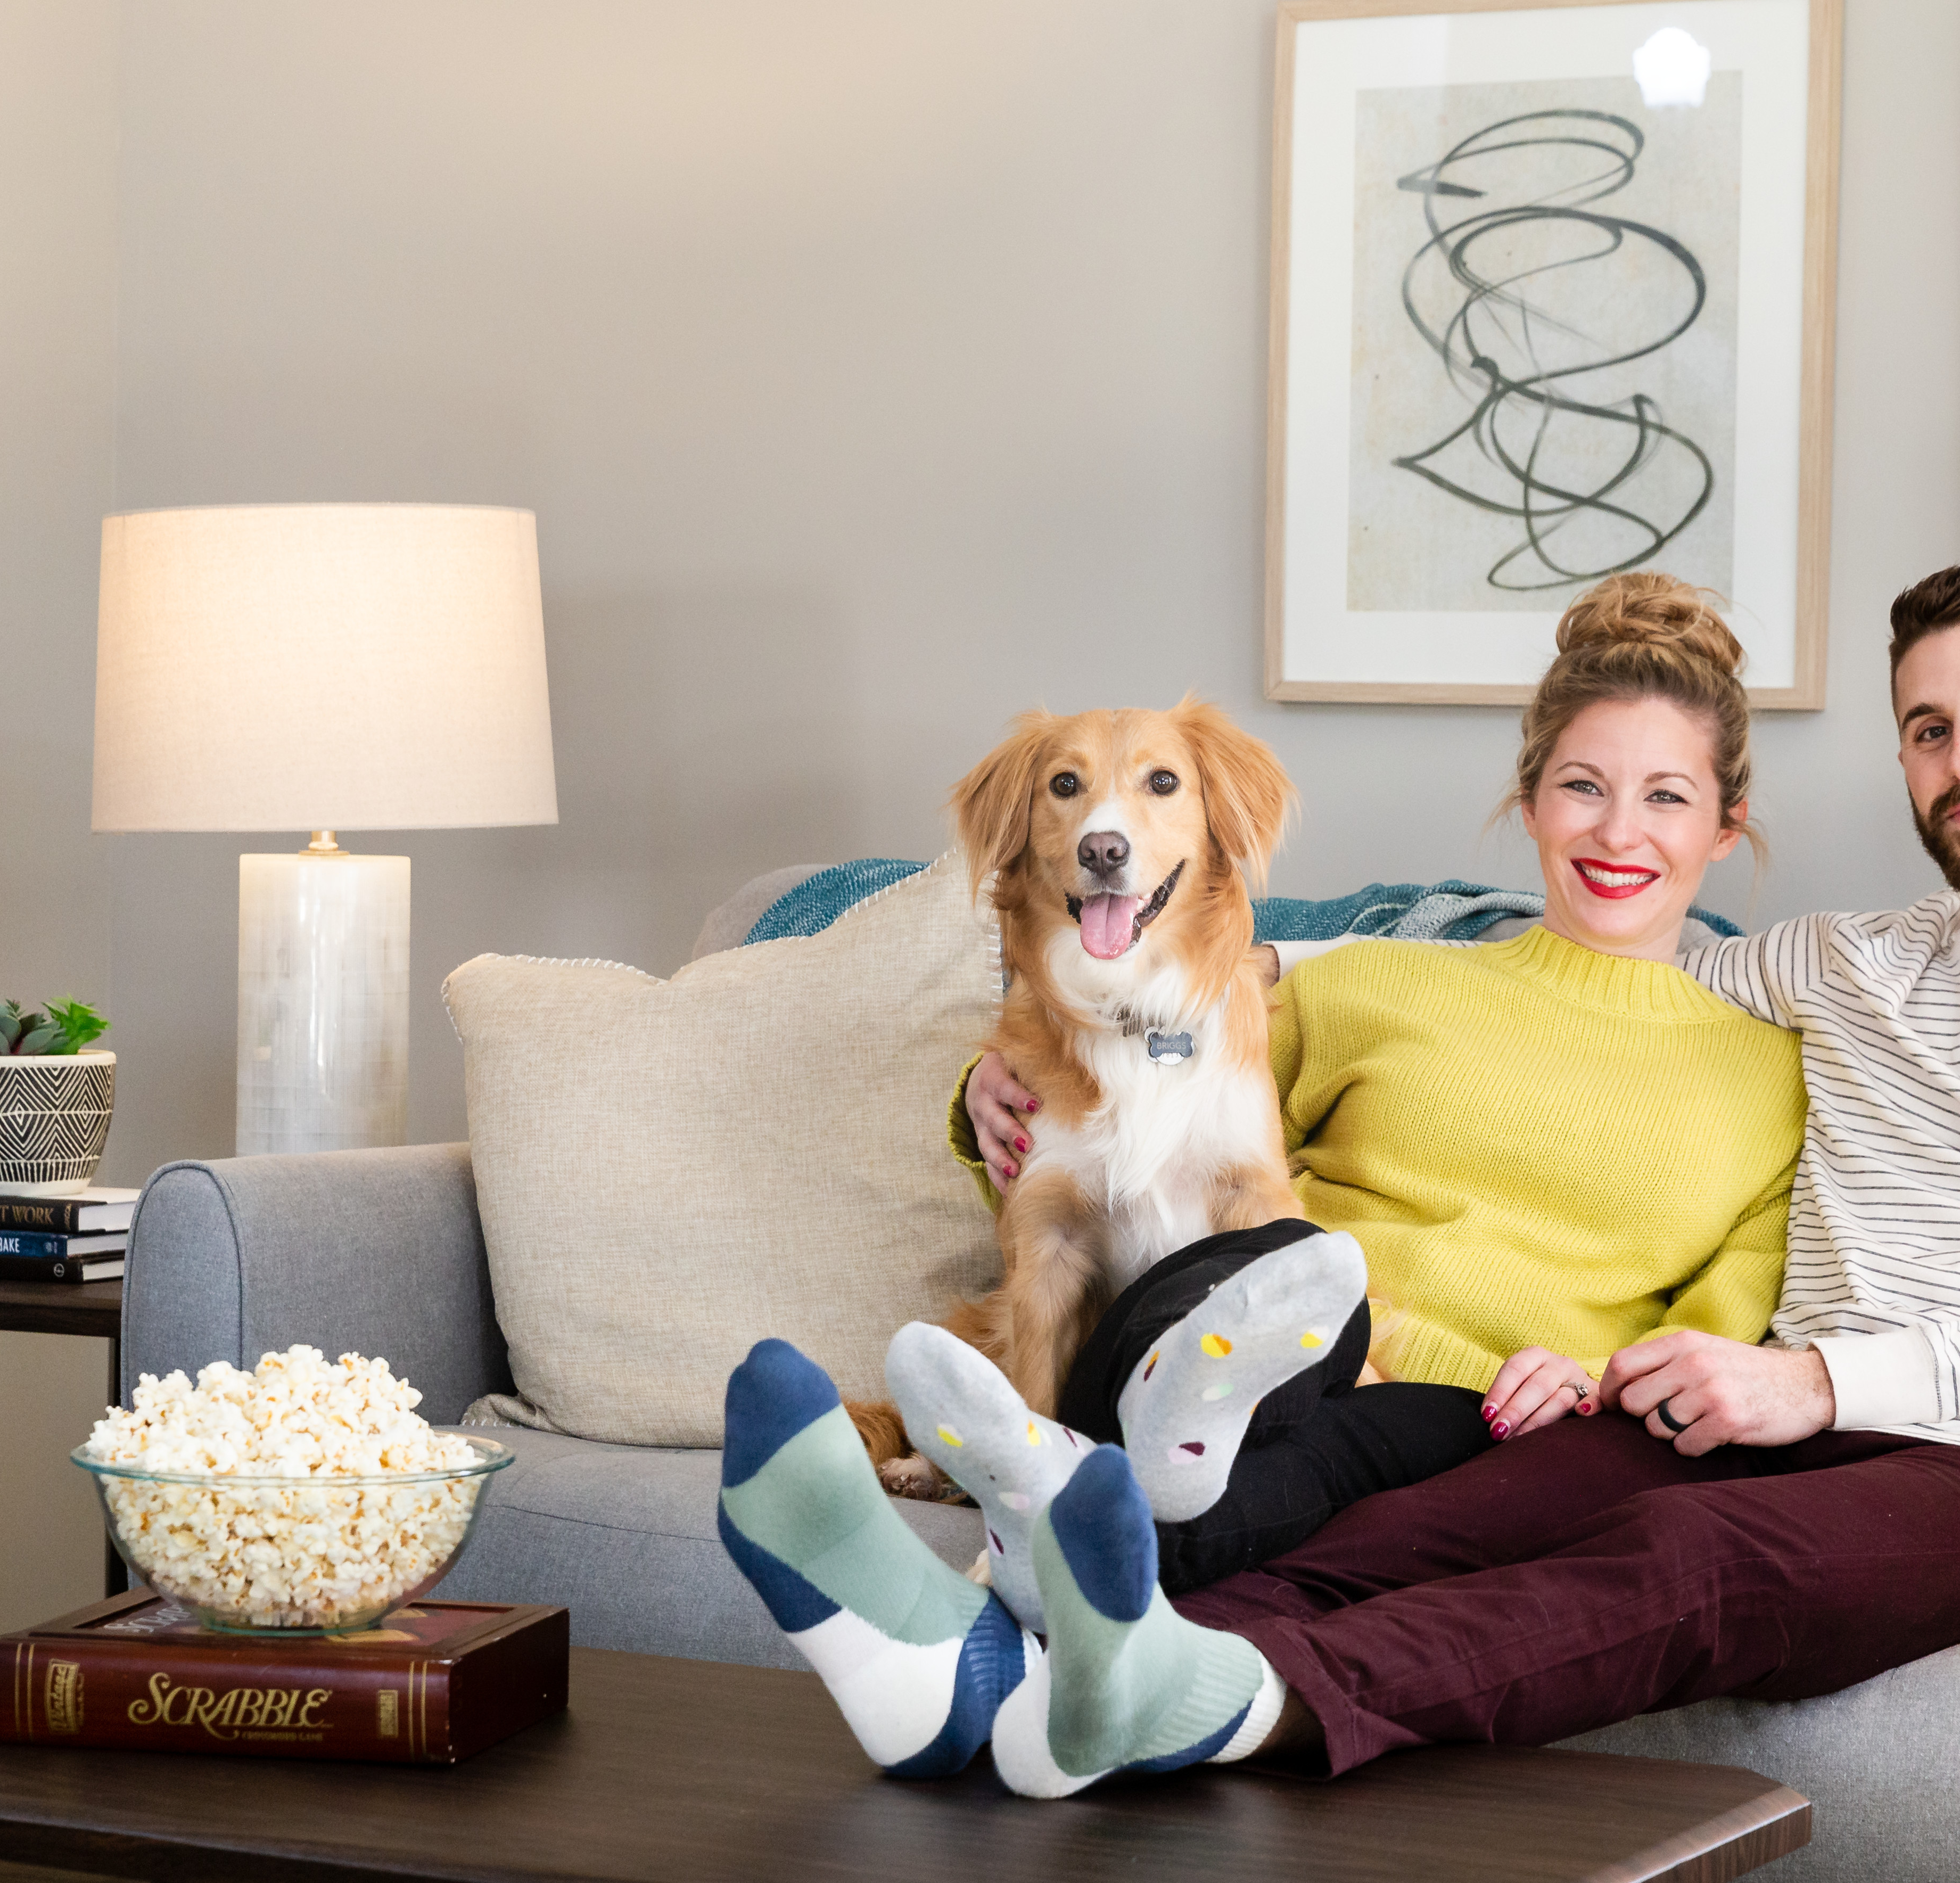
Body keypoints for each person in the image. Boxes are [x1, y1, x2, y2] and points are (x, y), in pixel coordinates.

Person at [727, 558, 1960, 1799]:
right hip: (1737, 1413)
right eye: (1929, 728)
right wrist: (1025, 1065)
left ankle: (1213, 1698)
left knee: (1687, 1574)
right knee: (1426, 1524)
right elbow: (1478, 992)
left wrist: (1817, 1378)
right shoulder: (1837, 966)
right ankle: (972, 1665)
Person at [714, 574, 1811, 1774]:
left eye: (1666, 798)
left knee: (1331, 1457)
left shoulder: (1770, 1079)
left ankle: (1014, 1551)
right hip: (1287, 1321)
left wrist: (1599, 1382)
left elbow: (1715, 1343)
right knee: (1272, 1284)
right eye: (1582, 789)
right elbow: (1132, 1122)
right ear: (1529, 803)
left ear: (1726, 824)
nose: (1617, 832)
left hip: (1480, 1412)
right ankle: (1137, 1441)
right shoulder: (1375, 982)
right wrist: (987, 1097)